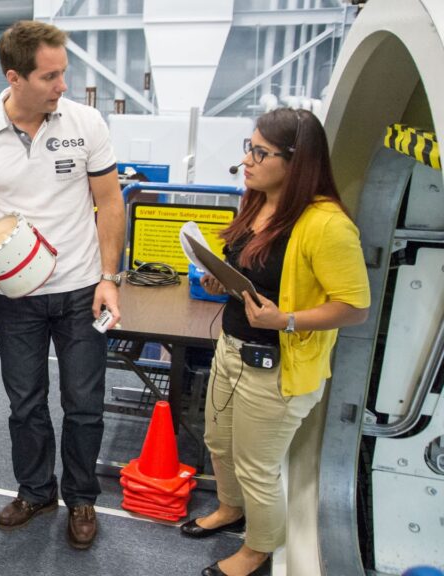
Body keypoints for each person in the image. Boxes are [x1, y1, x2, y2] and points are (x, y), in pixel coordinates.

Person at [0, 20, 125, 550]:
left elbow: (110, 202)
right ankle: (37, 491)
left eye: (63, 73)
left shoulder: (86, 123)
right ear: (14, 77)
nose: (62, 85)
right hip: (16, 298)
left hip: (82, 289)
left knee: (84, 403)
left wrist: (109, 278)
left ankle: (82, 497)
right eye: (50, 76)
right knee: (25, 403)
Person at [181, 108, 370, 576]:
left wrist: (286, 319)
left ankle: (259, 548)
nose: (247, 159)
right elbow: (252, 273)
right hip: (230, 348)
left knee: (256, 467)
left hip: (276, 367)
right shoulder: (259, 200)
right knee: (218, 444)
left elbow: (354, 306)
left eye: (259, 152)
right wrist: (221, 280)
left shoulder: (327, 224)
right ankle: (230, 509)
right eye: (249, 147)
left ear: (296, 160)